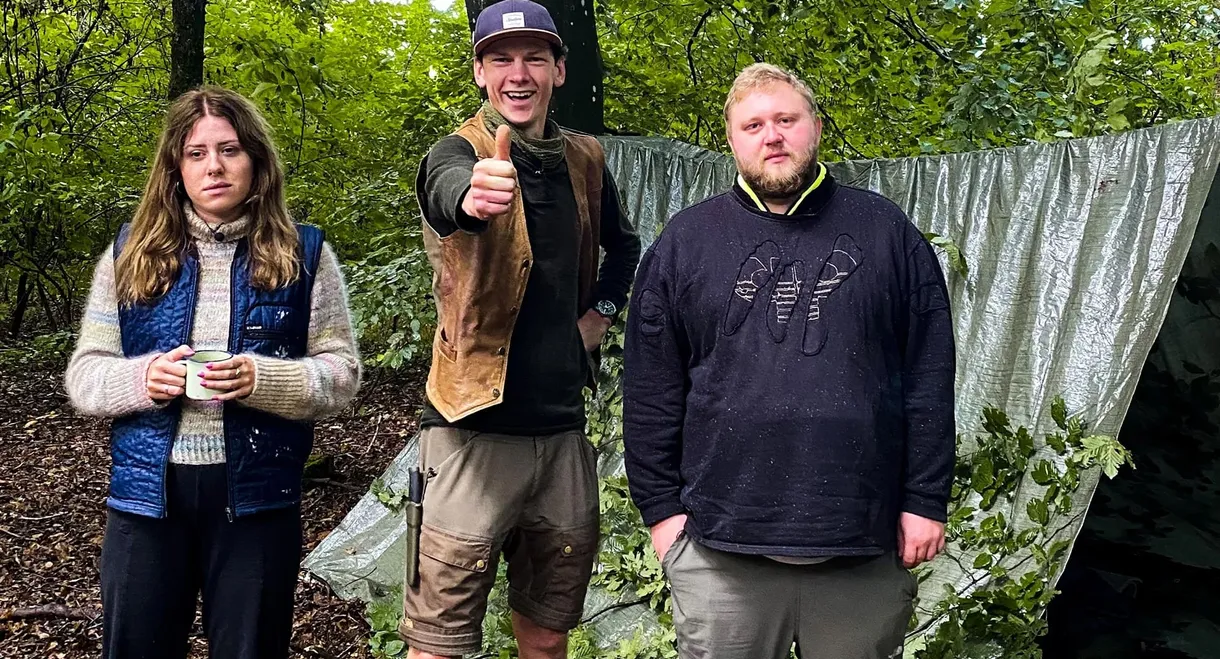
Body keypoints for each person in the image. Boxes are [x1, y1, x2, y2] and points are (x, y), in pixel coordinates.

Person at [622, 63, 957, 659]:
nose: (771, 135)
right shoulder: (687, 240)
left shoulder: (885, 232)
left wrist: (923, 500)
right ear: (732, 140)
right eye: (753, 124)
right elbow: (651, 386)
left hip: (862, 540)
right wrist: (662, 514)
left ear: (816, 128)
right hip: (721, 549)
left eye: (786, 119)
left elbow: (929, 375)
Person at [64, 86, 361, 659]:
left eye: (229, 150)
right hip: (148, 496)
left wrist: (262, 379)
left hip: (256, 495)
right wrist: (142, 379)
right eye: (196, 153)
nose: (215, 166)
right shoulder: (130, 255)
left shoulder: (305, 255)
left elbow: (341, 373)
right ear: (175, 168)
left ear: (256, 160)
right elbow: (85, 376)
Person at [400, 1, 641, 656]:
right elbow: (446, 190)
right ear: (480, 72)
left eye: (535, 56)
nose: (519, 72)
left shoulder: (586, 160)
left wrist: (600, 318)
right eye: (501, 58)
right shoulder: (456, 152)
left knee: (546, 636)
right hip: (462, 437)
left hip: (561, 436)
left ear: (559, 70)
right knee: (435, 643)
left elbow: (625, 248)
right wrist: (474, 196)